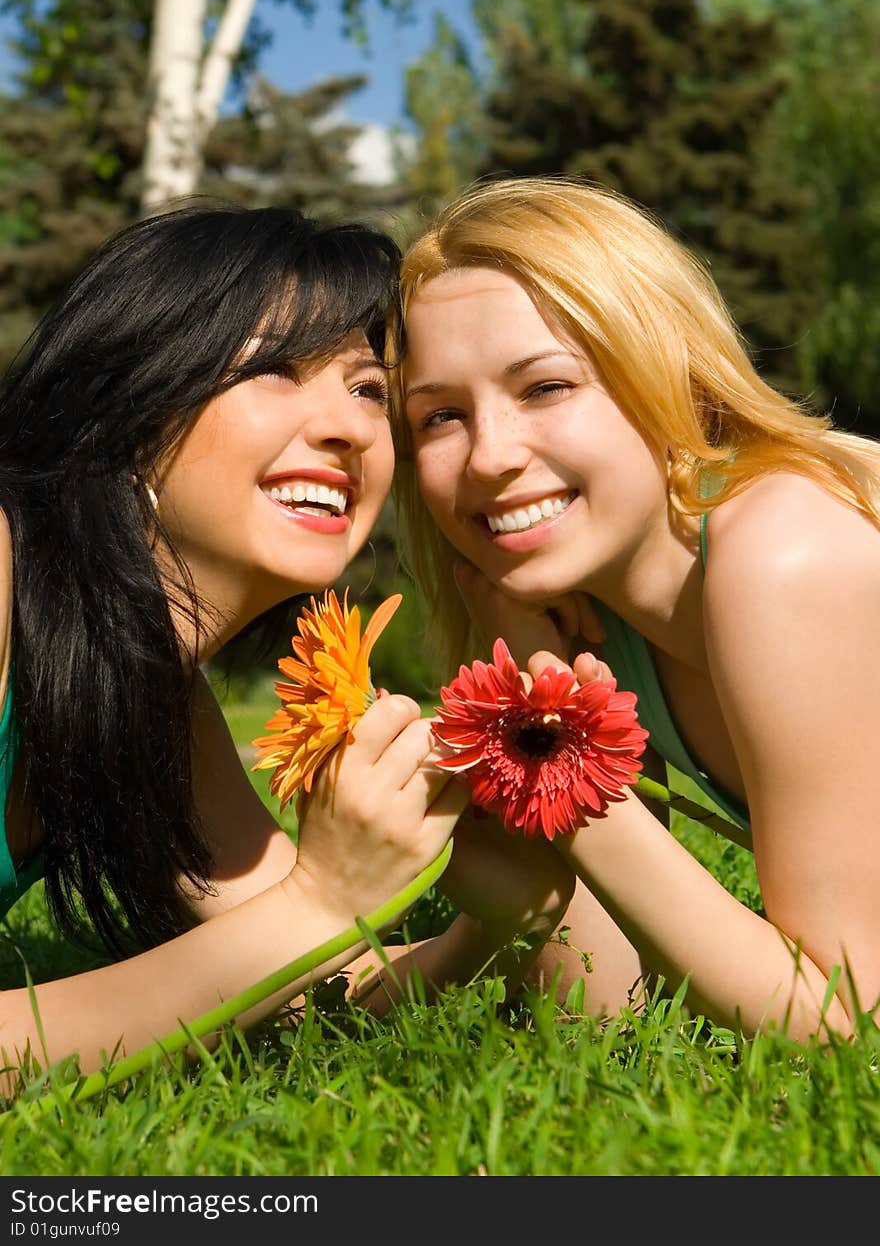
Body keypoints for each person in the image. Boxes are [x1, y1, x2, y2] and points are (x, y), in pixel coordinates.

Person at [0, 199, 573, 1099]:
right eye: (275, 369)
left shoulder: (148, 691)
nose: (348, 427)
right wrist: (321, 900)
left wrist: (493, 925)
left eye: (367, 389)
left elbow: (313, 985)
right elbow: (300, 926)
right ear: (128, 399)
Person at [392, 174, 880, 1043]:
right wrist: (543, 704)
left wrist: (556, 758)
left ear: (675, 378)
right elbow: (601, 1002)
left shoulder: (785, 551)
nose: (489, 457)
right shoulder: (596, 616)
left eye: (545, 387)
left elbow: (846, 1018)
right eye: (440, 417)